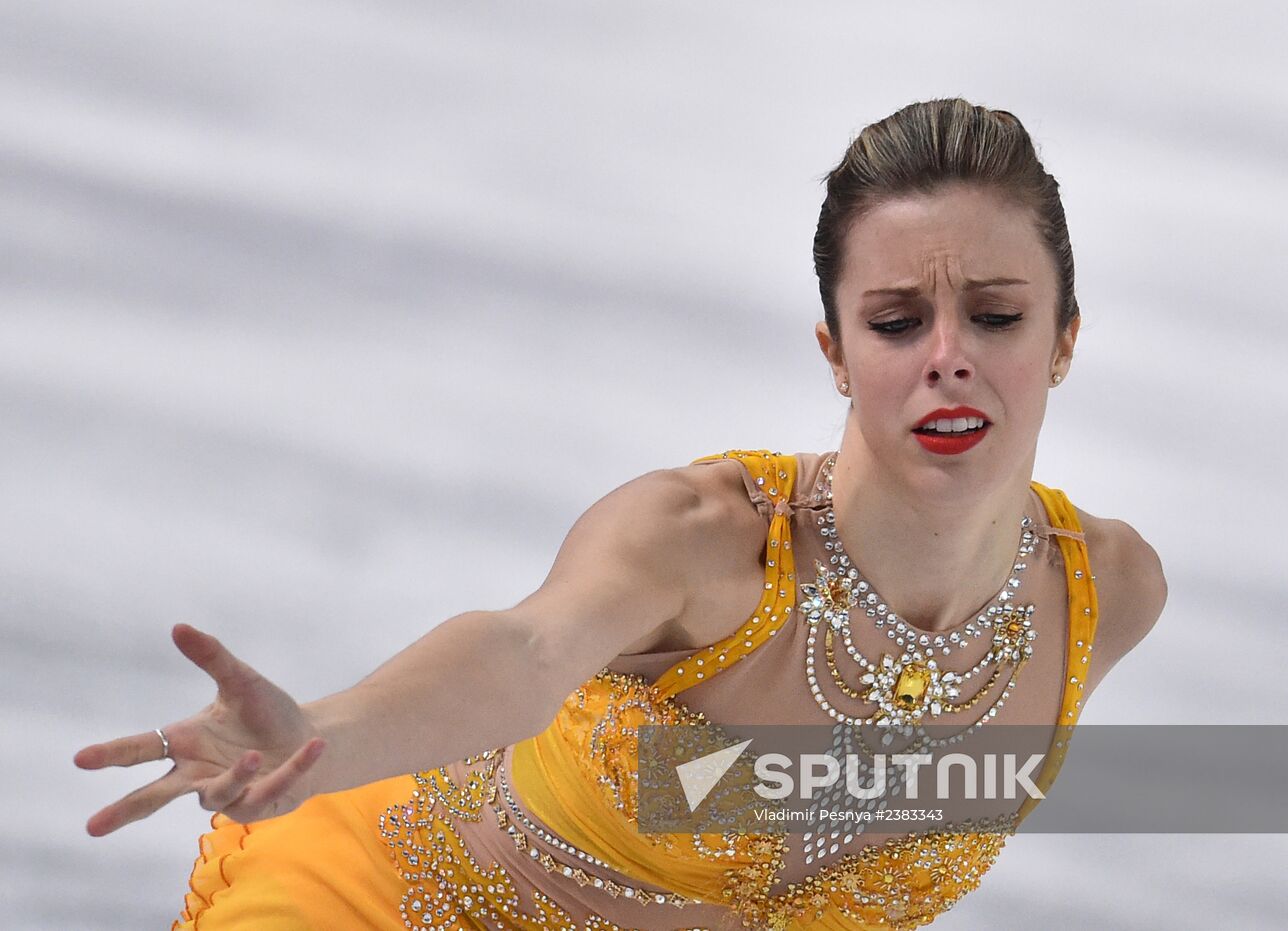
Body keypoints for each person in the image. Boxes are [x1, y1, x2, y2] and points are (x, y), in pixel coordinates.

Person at [74, 98, 1168, 930]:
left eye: (993, 315)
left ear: (1063, 338)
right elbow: (520, 649)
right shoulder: (705, 539)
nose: (948, 360)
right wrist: (325, 733)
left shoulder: (1103, 596)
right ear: (833, 351)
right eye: (894, 322)